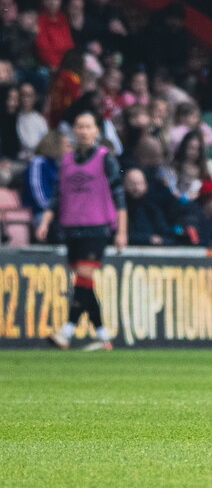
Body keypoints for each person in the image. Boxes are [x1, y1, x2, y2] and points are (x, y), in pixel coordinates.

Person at [37, 111, 127, 351]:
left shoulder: (105, 158)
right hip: (71, 226)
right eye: (80, 126)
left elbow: (119, 196)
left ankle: (66, 331)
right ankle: (103, 334)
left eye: (89, 127)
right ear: (74, 130)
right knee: (84, 283)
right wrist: (45, 221)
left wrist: (121, 231)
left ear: (96, 131)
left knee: (84, 277)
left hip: (97, 226)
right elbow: (56, 195)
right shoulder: (65, 160)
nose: (84, 131)